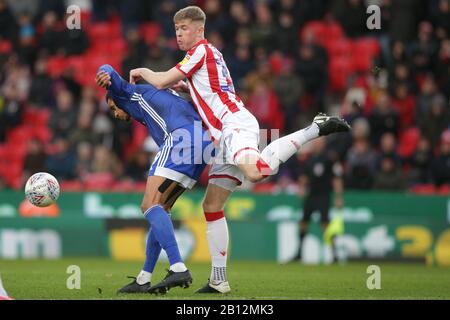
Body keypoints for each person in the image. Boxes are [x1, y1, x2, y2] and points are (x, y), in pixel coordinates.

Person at [129, 6, 351, 293]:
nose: (179, 34)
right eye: (176, 29)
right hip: (224, 134)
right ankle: (219, 280)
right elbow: (213, 91)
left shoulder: (200, 52)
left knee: (258, 173)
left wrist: (140, 70)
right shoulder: (210, 55)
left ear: (199, 30)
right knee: (211, 206)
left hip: (235, 125)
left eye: (184, 28)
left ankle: (314, 128)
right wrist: (188, 90)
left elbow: (159, 81)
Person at [95, 64, 213, 295]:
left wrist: (104, 74)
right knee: (161, 207)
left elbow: (109, 69)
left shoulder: (128, 93)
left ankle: (178, 266)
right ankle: (144, 278)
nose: (116, 114)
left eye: (113, 108)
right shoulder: (162, 97)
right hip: (203, 143)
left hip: (181, 138)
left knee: (148, 205)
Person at [289, 137, 345, 263]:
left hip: (323, 195)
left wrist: (338, 197)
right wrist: (302, 188)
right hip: (311, 195)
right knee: (303, 222)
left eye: (319, 143)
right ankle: (299, 253)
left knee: (325, 224)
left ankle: (334, 254)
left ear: (324, 144)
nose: (317, 145)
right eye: (315, 143)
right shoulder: (309, 160)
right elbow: (304, 176)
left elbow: (336, 178)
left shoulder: (330, 159)